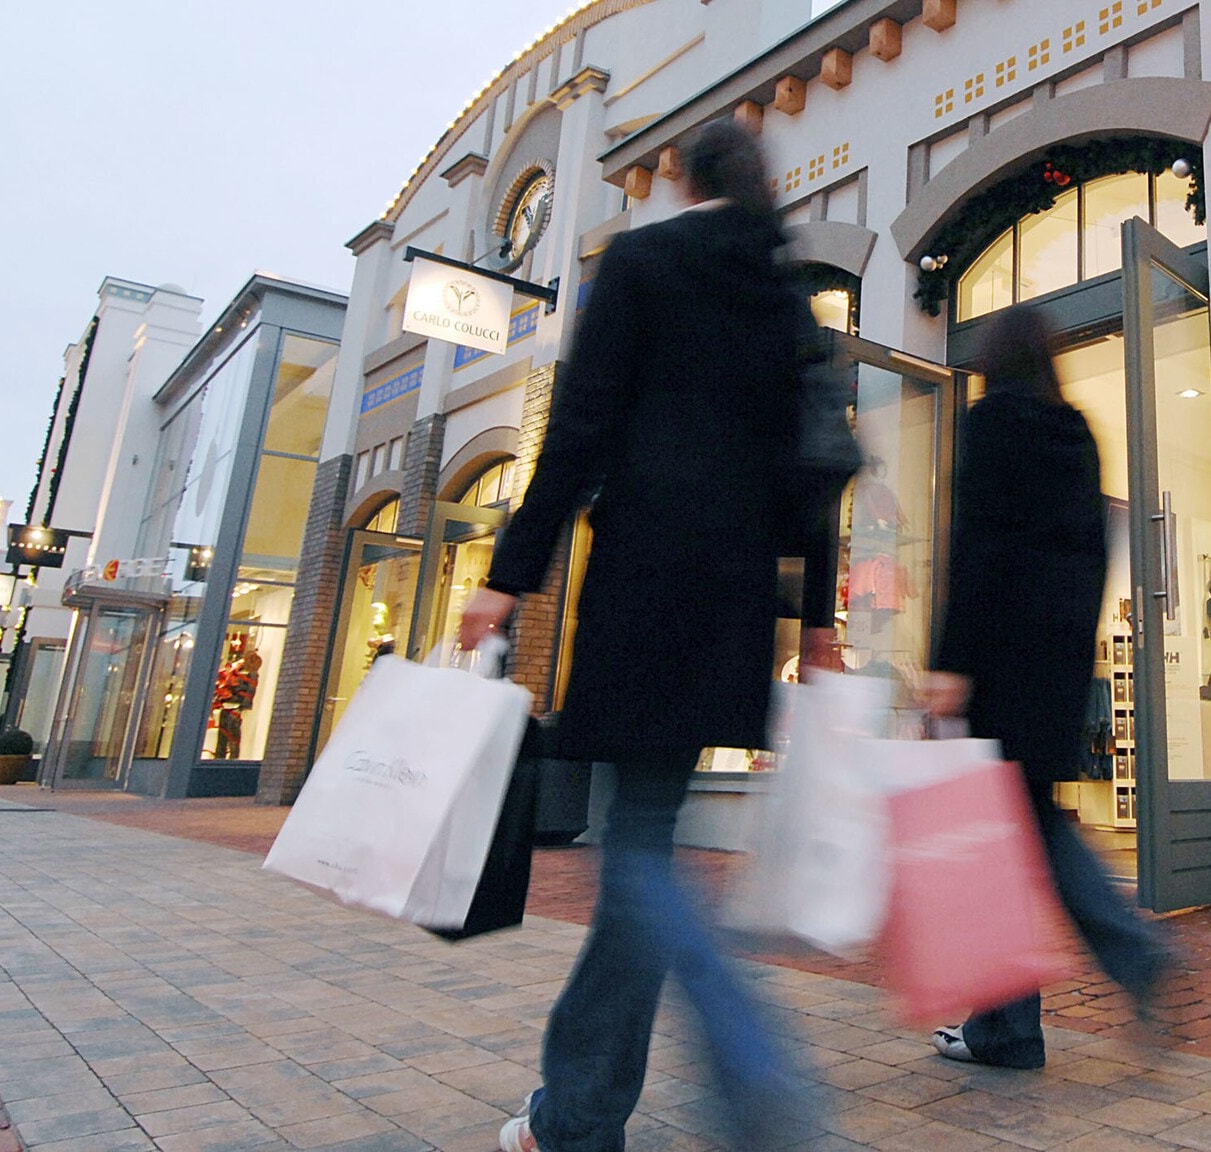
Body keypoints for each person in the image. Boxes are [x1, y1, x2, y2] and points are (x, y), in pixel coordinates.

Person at [459, 119, 835, 1152]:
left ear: (677, 177)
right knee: (642, 838)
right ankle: (577, 1117)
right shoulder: (782, 288)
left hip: (644, 584)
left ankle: (745, 1052)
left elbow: (578, 428)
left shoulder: (643, 260)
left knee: (636, 852)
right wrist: (816, 621)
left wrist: (506, 577)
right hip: (731, 605)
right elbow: (817, 470)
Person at [918, 305, 1173, 1070]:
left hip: (996, 664)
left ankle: (1125, 954)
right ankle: (1009, 1027)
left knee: (1013, 838)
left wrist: (949, 663)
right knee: (1023, 831)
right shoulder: (1078, 435)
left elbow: (977, 550)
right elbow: (1095, 555)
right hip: (1058, 665)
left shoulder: (991, 425)